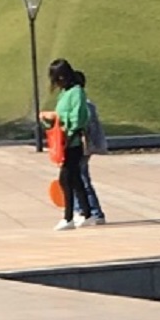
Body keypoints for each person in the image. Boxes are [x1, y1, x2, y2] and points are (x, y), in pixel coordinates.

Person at [41, 57, 104, 229]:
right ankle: (87, 213)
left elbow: (77, 117)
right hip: (63, 140)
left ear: (61, 76)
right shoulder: (65, 93)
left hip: (72, 141)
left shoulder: (76, 92)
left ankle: (68, 217)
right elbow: (61, 115)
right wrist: (50, 119)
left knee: (66, 179)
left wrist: (66, 129)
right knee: (75, 179)